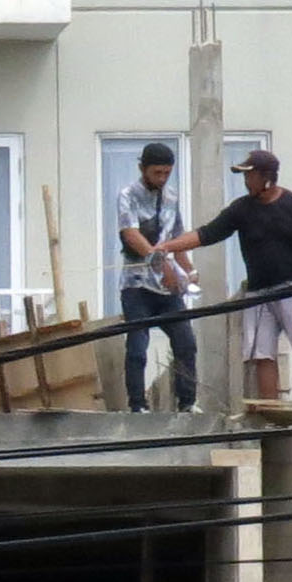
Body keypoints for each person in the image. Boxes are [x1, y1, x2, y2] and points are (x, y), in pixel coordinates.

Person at [167, 149, 292, 406]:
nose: (246, 182)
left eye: (250, 176)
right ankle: (271, 411)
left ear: (266, 178)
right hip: (257, 293)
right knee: (261, 354)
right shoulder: (242, 209)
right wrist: (168, 246)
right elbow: (207, 233)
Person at [114, 142, 199, 413]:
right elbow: (131, 234)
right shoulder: (127, 195)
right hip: (137, 286)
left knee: (186, 342)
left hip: (167, 288)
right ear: (142, 169)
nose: (161, 179)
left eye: (166, 173)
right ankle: (138, 405)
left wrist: (190, 271)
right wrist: (162, 264)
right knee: (138, 347)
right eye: (156, 173)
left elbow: (176, 238)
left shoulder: (172, 197)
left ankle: (187, 402)